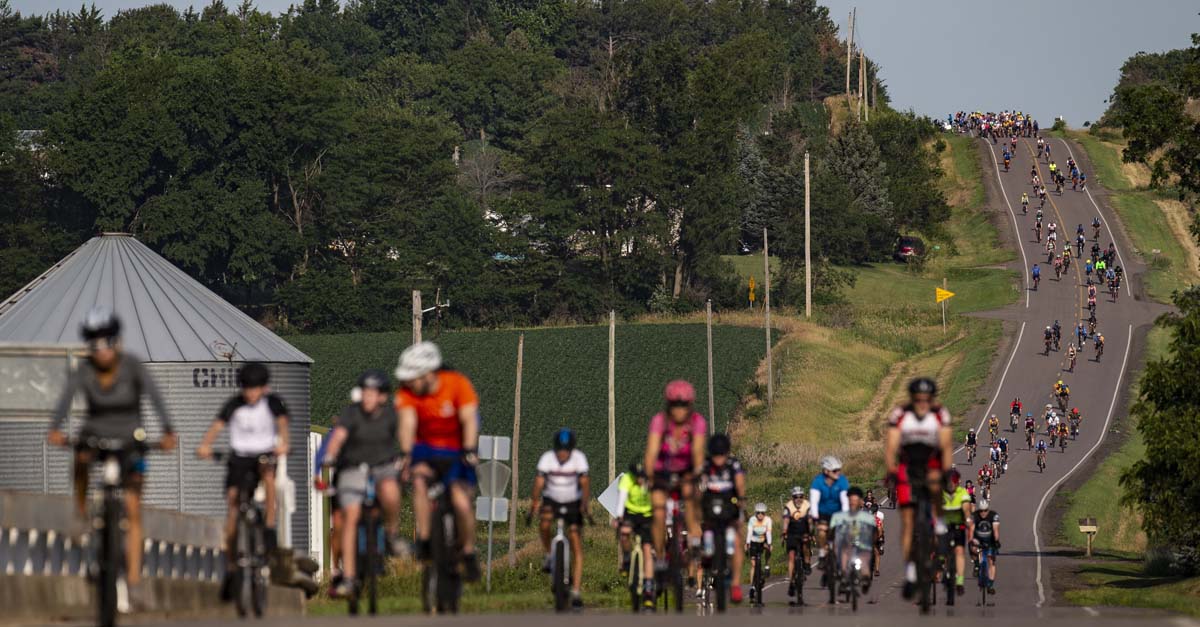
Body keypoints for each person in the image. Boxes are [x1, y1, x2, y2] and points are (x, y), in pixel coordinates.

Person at [46, 307, 177, 610]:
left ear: (116, 342)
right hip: (95, 433)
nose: (101, 350)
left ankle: (133, 582)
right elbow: (66, 399)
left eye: (106, 342)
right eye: (94, 344)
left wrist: (169, 430)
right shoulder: (84, 370)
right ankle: (80, 512)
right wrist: (54, 429)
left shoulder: (133, 367)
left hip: (132, 437)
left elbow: (156, 398)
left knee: (132, 509)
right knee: (80, 456)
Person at [196, 362, 290, 600]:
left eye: (255, 388)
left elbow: (282, 423)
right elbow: (217, 425)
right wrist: (205, 445)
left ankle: (269, 526)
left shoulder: (272, 403)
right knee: (233, 502)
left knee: (268, 476)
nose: (250, 393)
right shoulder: (234, 404)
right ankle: (230, 568)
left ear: (264, 388)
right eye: (247, 388)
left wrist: (283, 443)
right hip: (239, 457)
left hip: (264, 454)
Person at [395, 342, 482, 582]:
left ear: (428, 373)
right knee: (420, 481)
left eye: (413, 378)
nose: (408, 383)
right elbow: (407, 424)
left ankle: (467, 551)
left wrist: (469, 449)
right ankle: (424, 539)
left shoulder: (457, 384)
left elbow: (469, 419)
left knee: (461, 502)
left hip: (456, 445)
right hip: (426, 446)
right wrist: (405, 454)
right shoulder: (407, 393)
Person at [318, 369, 405, 597]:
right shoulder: (351, 413)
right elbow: (338, 437)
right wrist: (329, 455)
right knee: (351, 515)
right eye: (365, 392)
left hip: (383, 467)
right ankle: (348, 577)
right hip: (353, 468)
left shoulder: (390, 415)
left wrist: (407, 456)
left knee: (391, 491)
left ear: (383, 397)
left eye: (373, 393)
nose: (368, 397)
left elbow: (405, 437)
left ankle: (392, 532)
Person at [884, 377, 953, 599]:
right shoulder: (900, 415)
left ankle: (940, 524)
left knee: (936, 485)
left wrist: (946, 471)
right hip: (908, 465)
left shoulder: (940, 414)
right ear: (912, 399)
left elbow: (946, 446)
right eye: (918, 399)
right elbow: (891, 445)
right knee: (907, 521)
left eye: (927, 399)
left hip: (931, 462)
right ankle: (911, 572)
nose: (923, 403)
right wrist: (892, 471)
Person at [644, 380, 707, 572]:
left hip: (685, 470)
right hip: (662, 470)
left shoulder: (697, 422)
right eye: (675, 405)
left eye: (684, 405)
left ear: (690, 405)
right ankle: (661, 555)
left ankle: (694, 541)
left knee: (690, 496)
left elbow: (697, 451)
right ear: (668, 405)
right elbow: (651, 452)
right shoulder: (660, 421)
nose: (679, 410)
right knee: (658, 509)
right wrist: (649, 476)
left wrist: (697, 472)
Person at [532, 428, 590, 607]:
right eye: (560, 450)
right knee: (544, 524)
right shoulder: (547, 458)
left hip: (573, 501)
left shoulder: (579, 458)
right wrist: (534, 502)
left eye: (566, 450)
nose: (563, 454)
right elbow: (540, 482)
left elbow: (584, 482)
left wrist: (584, 504)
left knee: (575, 540)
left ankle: (576, 591)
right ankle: (550, 554)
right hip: (552, 499)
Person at [698, 433, 746, 604]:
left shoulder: (734, 464)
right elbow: (699, 485)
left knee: (738, 538)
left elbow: (740, 483)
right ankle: (706, 555)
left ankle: (735, 585)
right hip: (711, 508)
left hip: (729, 507)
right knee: (703, 530)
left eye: (722, 454)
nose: (719, 459)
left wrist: (741, 500)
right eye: (716, 455)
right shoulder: (705, 465)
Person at [809, 455, 849, 579]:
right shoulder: (818, 482)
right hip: (823, 513)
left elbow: (844, 500)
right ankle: (822, 553)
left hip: (837, 513)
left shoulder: (842, 481)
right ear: (826, 471)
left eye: (839, 470)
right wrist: (815, 517)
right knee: (821, 532)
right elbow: (814, 501)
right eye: (835, 471)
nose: (838, 473)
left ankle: (839, 564)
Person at [616, 460, 652, 591]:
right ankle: (626, 557)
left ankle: (648, 585)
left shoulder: (650, 481)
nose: (639, 480)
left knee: (647, 549)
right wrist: (619, 517)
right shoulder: (626, 479)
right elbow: (621, 500)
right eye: (637, 477)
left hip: (647, 514)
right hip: (630, 513)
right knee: (624, 533)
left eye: (642, 477)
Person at [830, 487, 877, 586]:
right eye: (851, 500)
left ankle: (866, 575)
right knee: (842, 552)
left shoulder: (867, 517)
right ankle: (842, 574)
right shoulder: (840, 516)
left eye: (855, 501)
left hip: (862, 543)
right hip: (846, 543)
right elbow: (833, 531)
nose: (853, 503)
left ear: (860, 501)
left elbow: (874, 531)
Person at [942, 469, 973, 596]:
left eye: (953, 482)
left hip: (958, 525)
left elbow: (966, 508)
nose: (951, 485)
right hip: (944, 524)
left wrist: (967, 519)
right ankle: (940, 562)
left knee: (959, 551)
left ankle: (959, 581)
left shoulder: (962, 493)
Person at [783, 486, 812, 596]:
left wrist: (811, 532)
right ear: (792, 498)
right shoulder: (788, 506)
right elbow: (785, 520)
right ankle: (791, 582)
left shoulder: (807, 505)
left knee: (805, 545)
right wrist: (784, 531)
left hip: (804, 530)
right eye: (796, 497)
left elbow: (810, 520)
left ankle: (807, 563)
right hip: (792, 532)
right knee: (791, 556)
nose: (798, 499)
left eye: (801, 496)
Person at [968, 499, 1001, 594]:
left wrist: (996, 541)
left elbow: (995, 530)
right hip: (978, 538)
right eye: (981, 511)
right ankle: (976, 564)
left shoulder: (993, 516)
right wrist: (971, 540)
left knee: (991, 561)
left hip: (989, 539)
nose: (983, 513)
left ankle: (990, 584)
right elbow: (971, 529)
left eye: (985, 510)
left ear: (988, 509)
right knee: (974, 548)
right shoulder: (975, 515)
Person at [745, 502, 773, 599]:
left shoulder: (768, 520)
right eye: (758, 513)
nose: (760, 515)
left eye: (762, 513)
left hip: (763, 540)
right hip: (753, 541)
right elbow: (749, 532)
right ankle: (752, 586)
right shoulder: (752, 520)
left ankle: (767, 565)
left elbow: (769, 533)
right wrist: (747, 544)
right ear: (755, 513)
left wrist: (769, 544)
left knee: (769, 548)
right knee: (753, 564)